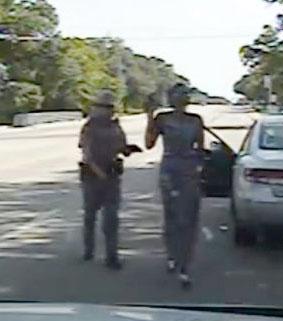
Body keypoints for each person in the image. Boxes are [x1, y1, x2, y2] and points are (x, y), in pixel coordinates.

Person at [145, 84, 204, 284]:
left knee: (186, 218)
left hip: (186, 170)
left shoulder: (195, 120)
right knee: (172, 216)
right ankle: (174, 256)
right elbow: (149, 143)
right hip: (171, 170)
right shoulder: (162, 119)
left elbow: (200, 150)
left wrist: (200, 168)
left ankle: (183, 262)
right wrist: (149, 117)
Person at [79, 90, 142, 270]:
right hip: (93, 177)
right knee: (90, 215)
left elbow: (121, 147)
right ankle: (89, 250)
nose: (106, 111)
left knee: (111, 218)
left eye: (108, 107)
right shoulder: (89, 128)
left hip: (111, 175)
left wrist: (128, 150)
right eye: (103, 107)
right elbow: (87, 156)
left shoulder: (116, 127)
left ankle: (111, 256)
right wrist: (101, 174)